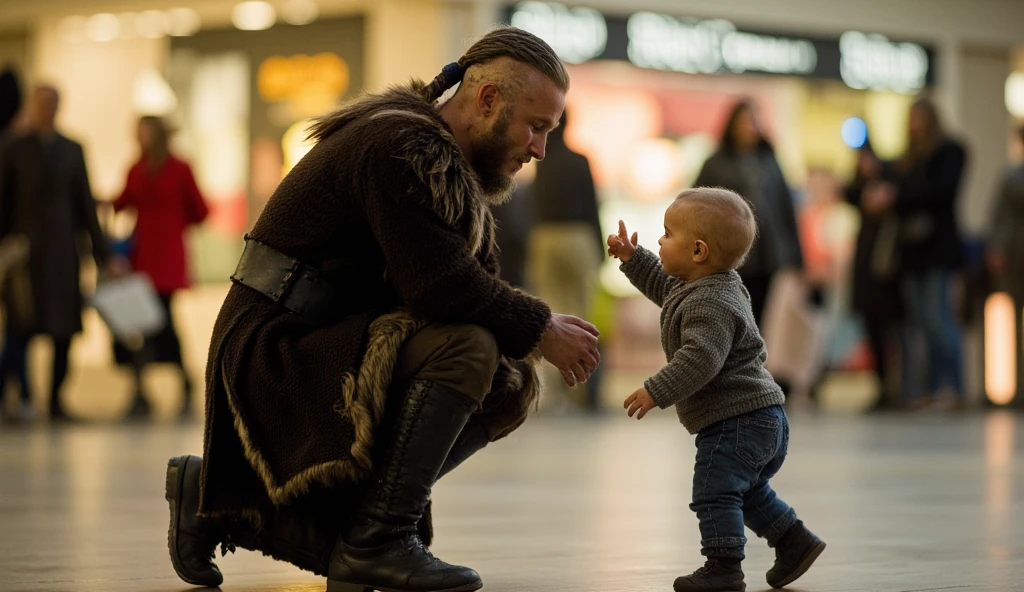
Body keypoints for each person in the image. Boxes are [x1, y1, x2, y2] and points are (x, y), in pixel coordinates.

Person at [163, 27, 601, 592]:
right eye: (536, 127)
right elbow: (441, 289)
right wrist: (541, 326)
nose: (540, 148)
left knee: (509, 377)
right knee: (470, 346)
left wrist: (530, 332)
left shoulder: (451, 166)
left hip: (329, 341)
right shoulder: (398, 146)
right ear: (488, 100)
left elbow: (473, 283)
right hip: (275, 351)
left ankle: (256, 509)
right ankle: (378, 538)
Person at [608, 188, 825, 592]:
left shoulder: (711, 302)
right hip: (759, 419)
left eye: (667, 234)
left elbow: (700, 360)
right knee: (745, 492)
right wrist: (632, 258)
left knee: (713, 491)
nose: (660, 240)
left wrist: (656, 390)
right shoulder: (707, 284)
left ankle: (723, 567)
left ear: (698, 251)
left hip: (737, 421)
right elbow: (664, 287)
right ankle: (794, 541)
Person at [0, 84, 120, 422]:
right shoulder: (14, 148)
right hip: (25, 257)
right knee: (19, 329)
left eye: (51, 104)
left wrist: (103, 252)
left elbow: (85, 203)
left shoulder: (71, 149)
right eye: (40, 104)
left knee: (63, 330)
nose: (45, 110)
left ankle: (54, 400)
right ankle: (20, 395)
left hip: (62, 255)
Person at [862, 98, 968, 410]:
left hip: (938, 251)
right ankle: (932, 390)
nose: (915, 124)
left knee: (939, 320)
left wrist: (895, 196)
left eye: (920, 118)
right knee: (920, 324)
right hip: (910, 255)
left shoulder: (950, 152)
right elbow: (890, 182)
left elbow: (938, 192)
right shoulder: (905, 160)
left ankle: (955, 388)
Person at [111, 115, 209, 419]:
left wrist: (174, 225)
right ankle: (141, 389)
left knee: (164, 323)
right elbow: (122, 202)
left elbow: (200, 209)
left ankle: (183, 382)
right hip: (142, 259)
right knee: (139, 325)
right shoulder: (136, 169)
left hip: (166, 259)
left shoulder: (179, 168)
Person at [693, 100, 803, 327]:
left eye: (755, 120)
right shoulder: (716, 163)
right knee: (729, 314)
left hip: (766, 254)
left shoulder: (769, 161)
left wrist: (796, 255)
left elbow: (785, 207)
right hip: (728, 253)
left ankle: (747, 359)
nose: (751, 126)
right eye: (746, 120)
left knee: (758, 317)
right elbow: (695, 205)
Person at [526, 108, 604, 411]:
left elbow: (532, 206)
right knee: (583, 314)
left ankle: (556, 395)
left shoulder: (542, 163)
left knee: (552, 314)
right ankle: (583, 392)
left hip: (545, 238)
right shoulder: (579, 160)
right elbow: (592, 205)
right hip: (577, 237)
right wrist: (599, 247)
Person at [844, 141, 904, 411]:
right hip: (867, 275)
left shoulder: (894, 191)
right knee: (873, 333)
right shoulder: (859, 192)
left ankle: (897, 387)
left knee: (892, 334)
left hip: (887, 276)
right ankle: (882, 387)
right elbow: (848, 193)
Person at [987, 124, 1024, 406]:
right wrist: (997, 249)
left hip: (1014, 250)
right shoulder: (1012, 174)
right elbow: (999, 216)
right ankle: (1017, 388)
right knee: (1013, 320)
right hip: (1016, 254)